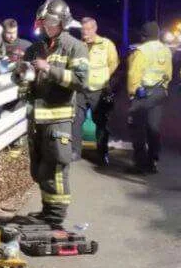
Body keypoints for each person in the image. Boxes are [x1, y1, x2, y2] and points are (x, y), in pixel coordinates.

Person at [18, 0, 89, 228]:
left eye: (51, 22)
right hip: (36, 120)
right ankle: (47, 212)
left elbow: (81, 81)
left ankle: (56, 217)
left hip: (58, 119)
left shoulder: (75, 47)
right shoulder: (34, 49)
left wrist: (49, 68)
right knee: (40, 169)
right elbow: (24, 82)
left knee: (56, 168)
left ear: (63, 22)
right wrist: (21, 74)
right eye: (44, 22)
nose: (47, 26)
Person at [126, 21, 173, 174]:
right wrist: (163, 88)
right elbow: (169, 73)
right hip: (159, 92)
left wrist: (132, 93)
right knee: (153, 128)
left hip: (143, 93)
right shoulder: (166, 50)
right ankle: (152, 161)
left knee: (137, 127)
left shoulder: (142, 51)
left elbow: (134, 74)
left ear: (143, 35)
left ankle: (140, 164)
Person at [74, 17, 119, 164]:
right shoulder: (78, 45)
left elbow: (113, 63)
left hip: (99, 90)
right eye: (83, 30)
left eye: (88, 29)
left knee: (101, 123)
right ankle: (75, 152)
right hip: (80, 90)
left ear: (95, 29)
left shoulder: (106, 44)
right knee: (76, 121)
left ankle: (102, 153)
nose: (85, 33)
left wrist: (103, 77)